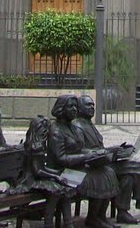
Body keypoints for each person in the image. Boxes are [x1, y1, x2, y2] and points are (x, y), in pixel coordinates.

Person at [75, 95, 140, 224]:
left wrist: (115, 150)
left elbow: (99, 148)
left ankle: (122, 213)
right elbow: (80, 151)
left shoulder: (88, 124)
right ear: (80, 108)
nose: (92, 108)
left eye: (93, 105)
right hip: (92, 166)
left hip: (102, 161)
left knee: (128, 178)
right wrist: (106, 152)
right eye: (88, 105)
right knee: (135, 166)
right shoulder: (78, 126)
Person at [47, 94, 118, 228]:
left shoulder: (72, 127)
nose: (74, 109)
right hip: (61, 173)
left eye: (75, 106)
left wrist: (94, 153)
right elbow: (61, 158)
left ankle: (100, 216)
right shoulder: (56, 130)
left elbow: (80, 149)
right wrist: (86, 157)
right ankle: (92, 218)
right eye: (70, 107)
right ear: (61, 109)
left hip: (75, 168)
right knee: (98, 178)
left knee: (108, 172)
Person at [10, 115, 82, 228]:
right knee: (55, 191)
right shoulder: (35, 146)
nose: (48, 132)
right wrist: (56, 176)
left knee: (65, 188)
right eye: (45, 129)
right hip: (30, 180)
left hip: (39, 177)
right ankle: (48, 224)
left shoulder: (41, 143)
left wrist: (56, 174)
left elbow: (42, 169)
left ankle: (69, 223)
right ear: (39, 130)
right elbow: (38, 171)